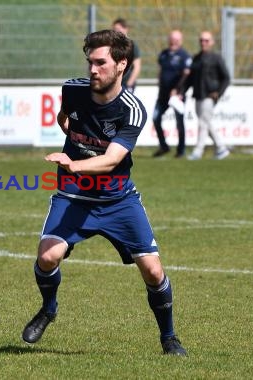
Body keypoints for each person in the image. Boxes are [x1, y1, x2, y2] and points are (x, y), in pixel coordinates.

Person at [21, 29, 187, 356]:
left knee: (153, 271)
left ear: (121, 65)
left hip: (117, 200)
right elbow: (64, 118)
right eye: (90, 62)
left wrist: (74, 163)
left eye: (100, 63)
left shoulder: (131, 110)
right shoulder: (72, 89)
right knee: (47, 256)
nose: (93, 70)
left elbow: (112, 160)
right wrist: (72, 139)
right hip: (74, 195)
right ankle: (49, 309)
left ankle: (169, 338)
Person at [182, 30, 230, 160]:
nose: (204, 43)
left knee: (203, 123)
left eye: (206, 40)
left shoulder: (216, 58)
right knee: (206, 122)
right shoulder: (196, 58)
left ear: (212, 42)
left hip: (210, 96)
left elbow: (226, 78)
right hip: (198, 95)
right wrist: (182, 91)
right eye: (201, 40)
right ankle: (221, 148)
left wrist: (218, 92)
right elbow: (190, 79)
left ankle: (198, 151)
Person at [152, 30, 192, 158]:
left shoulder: (184, 56)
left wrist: (178, 90)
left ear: (181, 41)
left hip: (177, 96)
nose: (173, 42)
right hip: (163, 95)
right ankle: (164, 147)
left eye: (176, 39)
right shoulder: (163, 54)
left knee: (179, 122)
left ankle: (180, 151)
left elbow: (186, 75)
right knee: (155, 118)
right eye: (172, 39)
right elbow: (160, 71)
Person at [112, 18, 141, 93]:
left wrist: (129, 84)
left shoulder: (132, 45)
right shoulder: (112, 45)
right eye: (114, 29)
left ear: (125, 29)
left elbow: (137, 67)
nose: (115, 31)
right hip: (114, 84)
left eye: (118, 29)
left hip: (126, 85)